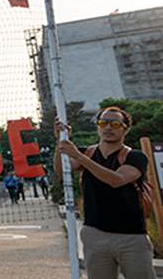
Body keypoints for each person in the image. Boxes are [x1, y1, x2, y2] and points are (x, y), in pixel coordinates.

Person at [55, 107, 154, 279]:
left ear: (126, 128)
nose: (108, 128)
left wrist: (79, 157)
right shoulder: (87, 153)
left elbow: (115, 180)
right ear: (98, 126)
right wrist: (61, 142)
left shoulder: (135, 157)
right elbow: (61, 172)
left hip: (131, 237)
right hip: (95, 234)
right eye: (103, 123)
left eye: (115, 124)